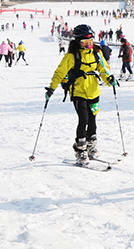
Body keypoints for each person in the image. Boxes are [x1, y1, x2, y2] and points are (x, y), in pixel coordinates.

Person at [44, 25, 117, 164]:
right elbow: (59, 72)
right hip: (78, 91)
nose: (89, 44)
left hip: (93, 90)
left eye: (90, 41)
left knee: (93, 120)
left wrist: (110, 80)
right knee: (83, 119)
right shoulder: (71, 56)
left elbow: (103, 69)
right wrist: (51, 89)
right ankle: (80, 150)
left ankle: (91, 146)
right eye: (85, 41)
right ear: (78, 41)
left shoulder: (96, 53)